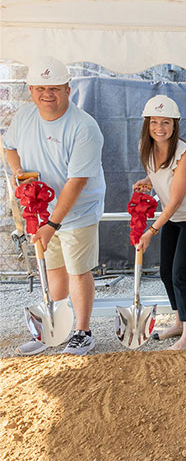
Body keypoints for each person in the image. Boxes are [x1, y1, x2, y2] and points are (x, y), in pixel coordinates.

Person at [6, 57, 105, 356]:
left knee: (78, 270)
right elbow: (9, 147)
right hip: (42, 211)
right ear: (31, 90)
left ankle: (82, 332)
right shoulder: (24, 116)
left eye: (55, 88)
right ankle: (53, 329)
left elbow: (76, 183)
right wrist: (19, 175)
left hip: (78, 211)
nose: (47, 94)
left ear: (67, 89)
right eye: (40, 88)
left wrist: (52, 225)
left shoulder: (84, 127)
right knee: (54, 269)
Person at [134, 95, 186, 351]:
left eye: (166, 122)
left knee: (181, 274)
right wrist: (149, 180)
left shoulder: (184, 154)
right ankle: (180, 322)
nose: (160, 128)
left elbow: (175, 200)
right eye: (154, 122)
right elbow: (159, 172)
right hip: (175, 218)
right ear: (147, 124)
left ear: (175, 124)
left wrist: (151, 230)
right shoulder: (145, 148)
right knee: (166, 272)